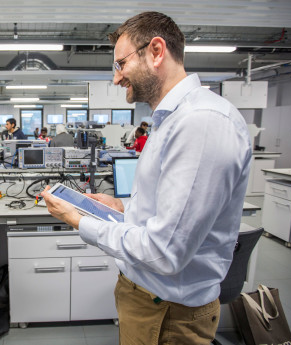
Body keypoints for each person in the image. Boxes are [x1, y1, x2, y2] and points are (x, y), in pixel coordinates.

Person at [41, 11, 251, 345]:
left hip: (167, 312)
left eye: (120, 64)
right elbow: (168, 212)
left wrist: (80, 222)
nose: (116, 79)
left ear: (155, 51)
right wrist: (122, 207)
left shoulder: (202, 123)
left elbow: (165, 252)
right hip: (151, 302)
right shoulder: (171, 120)